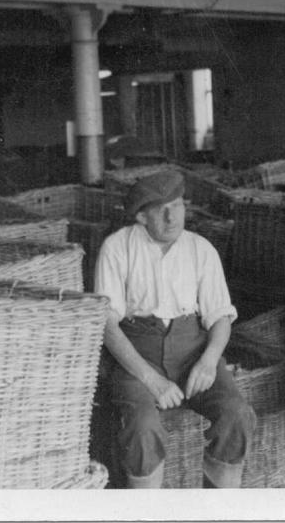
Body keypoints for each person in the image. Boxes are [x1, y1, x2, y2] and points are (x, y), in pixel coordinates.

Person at [95, 169, 256, 488]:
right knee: (141, 427)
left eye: (178, 205)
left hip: (193, 352)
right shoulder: (117, 248)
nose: (172, 217)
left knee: (237, 414)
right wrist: (151, 379)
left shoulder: (201, 249)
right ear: (141, 217)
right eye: (161, 210)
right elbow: (107, 324)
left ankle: (217, 511)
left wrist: (209, 362)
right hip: (139, 356)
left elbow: (220, 317)